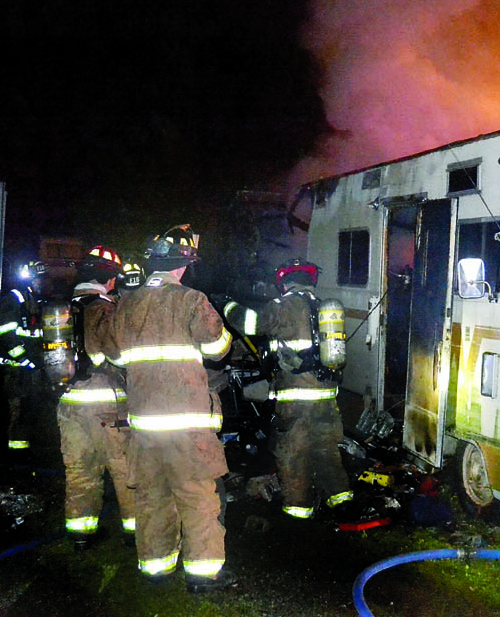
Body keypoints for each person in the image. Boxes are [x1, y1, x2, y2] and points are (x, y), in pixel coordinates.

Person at [109, 225, 235, 593]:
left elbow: (117, 357)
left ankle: (155, 568)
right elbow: (218, 349)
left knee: (151, 497)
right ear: (182, 266)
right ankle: (202, 575)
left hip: (144, 426)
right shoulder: (191, 299)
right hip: (188, 426)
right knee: (197, 498)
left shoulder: (125, 303)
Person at [222, 259, 355, 523]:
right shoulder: (324, 308)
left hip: (296, 400)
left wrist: (228, 305)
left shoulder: (284, 306)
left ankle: (297, 514)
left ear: (284, 281)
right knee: (327, 451)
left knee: (292, 454)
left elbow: (251, 324)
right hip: (327, 399)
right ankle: (343, 503)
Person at [57, 245, 135, 551]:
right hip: (106, 405)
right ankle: (135, 533)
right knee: (125, 469)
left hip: (68, 403)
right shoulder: (103, 309)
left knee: (80, 470)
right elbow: (120, 354)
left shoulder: (60, 309)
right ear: (109, 278)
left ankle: (81, 535)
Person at [0, 260, 47, 453]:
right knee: (18, 413)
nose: (42, 283)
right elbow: (7, 335)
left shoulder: (34, 300)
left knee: (30, 412)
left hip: (30, 369)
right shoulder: (14, 299)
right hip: (16, 370)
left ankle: (26, 453)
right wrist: (25, 360)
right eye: (39, 279)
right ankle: (15, 457)